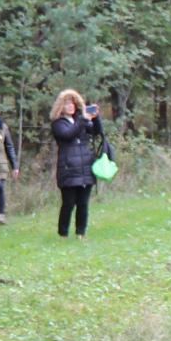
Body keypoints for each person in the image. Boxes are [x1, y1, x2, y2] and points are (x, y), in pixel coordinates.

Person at [50, 89, 103, 239]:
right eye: (67, 103)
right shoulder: (57, 123)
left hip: (85, 166)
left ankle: (81, 232)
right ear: (61, 106)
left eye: (72, 103)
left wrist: (95, 118)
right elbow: (68, 134)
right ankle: (63, 233)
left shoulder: (81, 119)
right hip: (68, 168)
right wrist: (82, 120)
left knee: (83, 203)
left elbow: (96, 132)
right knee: (68, 203)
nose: (71, 106)